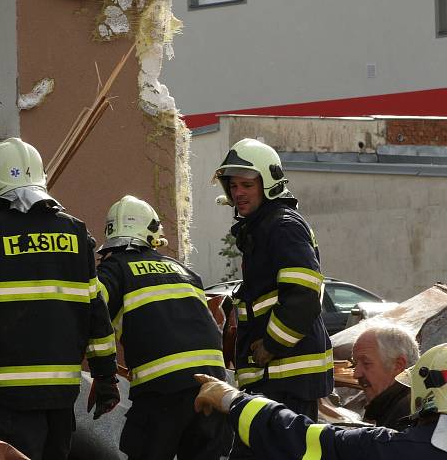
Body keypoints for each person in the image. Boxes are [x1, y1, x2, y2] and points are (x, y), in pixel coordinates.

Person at [0, 137, 119, 460]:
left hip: (9, 397)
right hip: (62, 395)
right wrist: (106, 376)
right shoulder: (76, 232)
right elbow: (97, 313)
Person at [212, 138, 334, 456]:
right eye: (233, 185)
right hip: (275, 378)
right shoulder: (263, 227)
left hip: (286, 376)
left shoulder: (282, 226)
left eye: (247, 185)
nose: (238, 193)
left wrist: (270, 344)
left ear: (268, 183)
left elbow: (305, 295)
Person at [96, 195, 229, 460]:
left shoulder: (114, 270)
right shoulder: (185, 271)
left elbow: (92, 314)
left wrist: (103, 378)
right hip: (213, 385)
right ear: (152, 233)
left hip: (162, 392)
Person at [193, 343, 447, 459]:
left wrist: (232, 399)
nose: (357, 373)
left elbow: (304, 439)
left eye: (366, 363)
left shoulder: (398, 449)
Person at [352, 320, 419, 430]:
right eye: (355, 364)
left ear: (398, 365)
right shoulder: (397, 406)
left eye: (366, 363)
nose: (356, 374)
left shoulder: (406, 416)